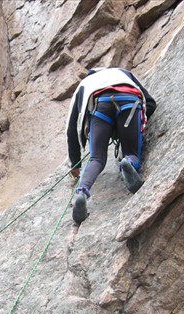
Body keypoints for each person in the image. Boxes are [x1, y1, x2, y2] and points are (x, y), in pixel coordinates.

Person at [65, 67, 157, 224]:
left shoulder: (85, 84)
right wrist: (127, 128)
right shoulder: (123, 73)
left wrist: (75, 164)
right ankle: (128, 162)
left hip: (100, 106)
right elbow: (150, 103)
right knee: (131, 152)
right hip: (129, 101)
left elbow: (71, 129)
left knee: (97, 159)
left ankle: (82, 192)